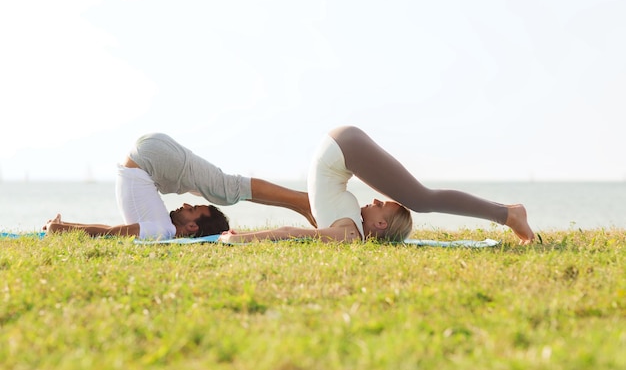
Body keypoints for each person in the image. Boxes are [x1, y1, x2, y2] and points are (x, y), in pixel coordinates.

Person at [219, 126, 535, 245]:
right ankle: (508, 214)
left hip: (342, 148)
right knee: (421, 201)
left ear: (381, 223)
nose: (372, 201)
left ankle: (509, 214)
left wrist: (242, 239)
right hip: (343, 148)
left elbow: (293, 233)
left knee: (421, 201)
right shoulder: (351, 228)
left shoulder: (349, 234)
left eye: (379, 205)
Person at [44, 133, 315, 239]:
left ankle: (303, 203)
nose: (184, 204)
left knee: (221, 190)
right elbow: (112, 233)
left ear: (192, 227)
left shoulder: (160, 228)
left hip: (150, 159)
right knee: (225, 190)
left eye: (192, 209)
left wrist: (62, 227)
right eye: (193, 207)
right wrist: (63, 229)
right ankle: (303, 201)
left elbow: (112, 231)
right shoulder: (161, 229)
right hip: (152, 158)